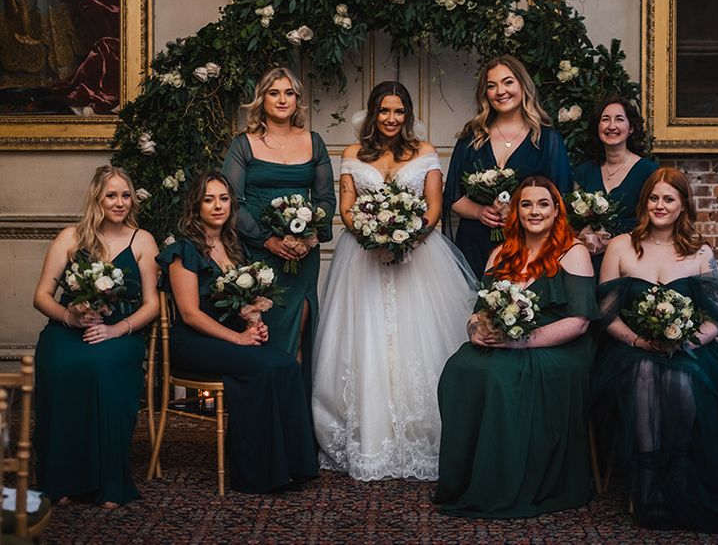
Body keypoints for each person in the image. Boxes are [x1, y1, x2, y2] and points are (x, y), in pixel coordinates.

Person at [312, 81, 477, 481]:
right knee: (366, 338)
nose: (391, 118)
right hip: (362, 258)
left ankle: (423, 433)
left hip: (419, 256)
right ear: (372, 114)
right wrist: (374, 237)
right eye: (384, 111)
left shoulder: (425, 152)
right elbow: (348, 209)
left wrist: (405, 237)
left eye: (398, 111)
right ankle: (370, 434)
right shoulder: (353, 154)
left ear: (408, 115)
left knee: (415, 338)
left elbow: (435, 208)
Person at [591, 167, 718, 531]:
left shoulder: (700, 253)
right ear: (645, 203)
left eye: (668, 199)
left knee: (683, 378)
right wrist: (641, 341)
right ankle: (648, 482)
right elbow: (606, 315)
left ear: (682, 205)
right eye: (654, 198)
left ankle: (681, 473)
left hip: (687, 347)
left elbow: (715, 319)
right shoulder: (621, 246)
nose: (659, 205)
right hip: (630, 347)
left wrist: (684, 341)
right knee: (644, 371)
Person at [435, 176, 598, 518]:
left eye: (543, 204)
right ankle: (467, 479)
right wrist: (476, 330)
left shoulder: (573, 252)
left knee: (498, 375)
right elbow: (479, 311)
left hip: (558, 349)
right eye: (526, 204)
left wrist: (520, 342)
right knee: (460, 366)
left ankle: (504, 482)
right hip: (505, 342)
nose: (534, 211)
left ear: (557, 211)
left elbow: (579, 322)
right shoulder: (500, 253)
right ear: (516, 211)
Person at [156, 172, 318, 494]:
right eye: (209, 199)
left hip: (230, 338)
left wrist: (252, 323)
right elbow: (189, 314)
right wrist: (238, 339)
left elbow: (242, 301)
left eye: (224, 198)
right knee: (262, 368)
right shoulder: (185, 251)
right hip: (192, 341)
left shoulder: (235, 247)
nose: (218, 206)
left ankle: (294, 465)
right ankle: (258, 476)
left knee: (285, 364)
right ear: (195, 206)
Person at [32, 165, 159, 508]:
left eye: (126, 195)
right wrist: (69, 317)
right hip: (67, 329)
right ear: (97, 199)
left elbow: (152, 305)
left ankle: (108, 482)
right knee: (60, 368)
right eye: (111, 195)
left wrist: (117, 329)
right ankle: (61, 480)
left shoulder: (142, 240)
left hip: (120, 331)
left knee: (102, 370)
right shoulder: (70, 238)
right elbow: (41, 295)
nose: (120, 202)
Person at [222, 67, 335, 391]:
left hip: (302, 258)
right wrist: (268, 240)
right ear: (262, 99)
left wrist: (309, 237)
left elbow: (326, 198)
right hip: (258, 257)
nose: (282, 99)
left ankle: (295, 430)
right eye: (274, 92)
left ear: (297, 99)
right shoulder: (244, 144)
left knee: (297, 338)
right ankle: (262, 425)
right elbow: (232, 201)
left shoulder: (314, 143)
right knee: (262, 337)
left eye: (289, 93)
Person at [443, 55, 574, 279]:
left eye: (508, 82)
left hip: (528, 243)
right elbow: (453, 196)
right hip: (476, 241)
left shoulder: (546, 139)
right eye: (491, 86)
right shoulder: (472, 138)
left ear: (523, 85)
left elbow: (561, 196)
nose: (500, 91)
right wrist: (480, 212)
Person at [573, 95, 657, 272]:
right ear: (598, 127)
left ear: (631, 128)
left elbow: (655, 223)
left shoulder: (648, 171)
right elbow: (571, 223)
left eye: (619, 119)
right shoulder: (584, 172)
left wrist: (611, 244)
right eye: (605, 120)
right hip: (588, 262)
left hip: (633, 260)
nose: (612, 126)